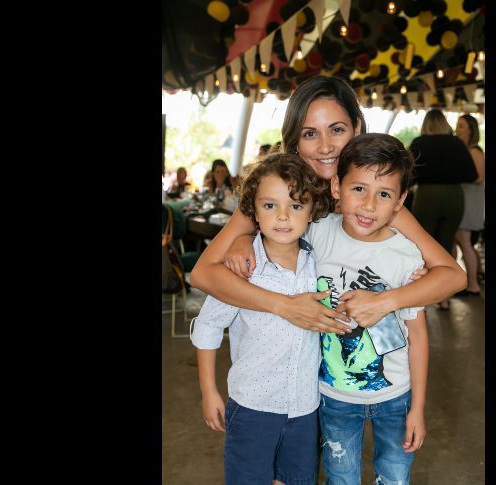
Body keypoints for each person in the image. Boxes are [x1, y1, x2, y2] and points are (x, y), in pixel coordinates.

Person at [190, 75, 466, 339]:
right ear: (295, 141)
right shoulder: (277, 190)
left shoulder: (372, 205)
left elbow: (452, 275)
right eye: (310, 133)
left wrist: (387, 300)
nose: (326, 147)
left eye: (336, 130)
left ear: (356, 129)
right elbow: (204, 274)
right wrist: (284, 304)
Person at [190, 153, 332, 485]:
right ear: (253, 211)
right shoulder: (242, 269)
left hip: (305, 408)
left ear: (313, 211)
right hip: (253, 406)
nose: (283, 217)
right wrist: (208, 391)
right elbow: (209, 325)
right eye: (270, 206)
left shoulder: (318, 267)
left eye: (296, 206)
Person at [307, 133, 428, 484]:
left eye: (384, 194)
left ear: (400, 201)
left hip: (395, 395)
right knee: (340, 478)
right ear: (336, 186)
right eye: (358, 189)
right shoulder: (315, 233)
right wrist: (241, 243)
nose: (369, 205)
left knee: (394, 478)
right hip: (333, 396)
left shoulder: (406, 256)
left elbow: (417, 336)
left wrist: (417, 407)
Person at [407, 109, 478, 309]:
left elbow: (408, 174)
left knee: (422, 246)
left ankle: (421, 296)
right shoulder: (456, 143)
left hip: (427, 195)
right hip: (455, 197)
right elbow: (471, 174)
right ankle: (443, 298)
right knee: (445, 245)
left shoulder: (419, 143)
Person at [453, 114, 485, 297]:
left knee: (465, 242)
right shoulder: (465, 150)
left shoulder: (474, 151)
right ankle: (471, 278)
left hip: (470, 201)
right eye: (457, 126)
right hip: (464, 200)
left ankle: (472, 284)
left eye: (461, 126)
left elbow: (479, 177)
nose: (457, 130)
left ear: (471, 130)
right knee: (462, 242)